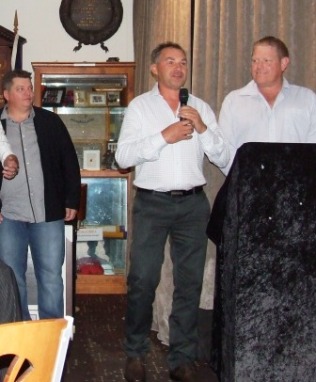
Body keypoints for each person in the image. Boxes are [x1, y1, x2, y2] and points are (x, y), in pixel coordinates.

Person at [115, 42, 229, 382]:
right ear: (155, 69)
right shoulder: (139, 107)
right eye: (170, 61)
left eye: (182, 62)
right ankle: (135, 353)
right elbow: (123, 158)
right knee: (143, 280)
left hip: (194, 204)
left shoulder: (201, 107)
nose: (178, 67)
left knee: (189, 284)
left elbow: (225, 158)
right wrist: (164, 136)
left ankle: (181, 358)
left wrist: (204, 129)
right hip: (152, 204)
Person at [0, 69, 81, 320]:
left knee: (51, 278)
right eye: (21, 88)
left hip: (48, 215)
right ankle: (21, 338)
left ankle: (51, 342)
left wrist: (71, 199)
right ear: (6, 94)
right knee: (13, 279)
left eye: (30, 87)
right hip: (9, 218)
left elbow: (69, 161)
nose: (28, 92)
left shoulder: (50, 122)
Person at [219, 35, 316, 175]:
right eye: (255, 60)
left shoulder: (307, 99)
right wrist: (244, 179)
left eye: (266, 60)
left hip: (296, 189)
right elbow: (225, 152)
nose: (259, 66)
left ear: (284, 63)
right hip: (248, 189)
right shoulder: (233, 101)